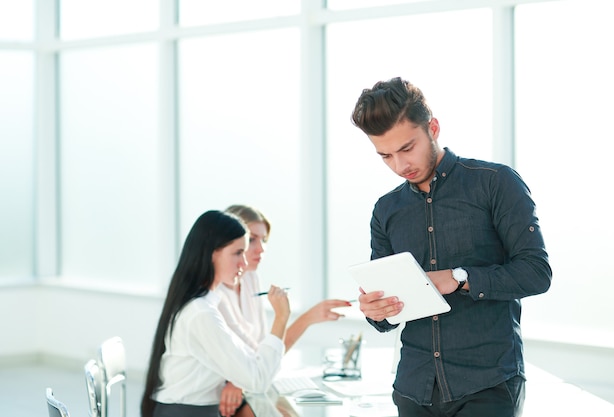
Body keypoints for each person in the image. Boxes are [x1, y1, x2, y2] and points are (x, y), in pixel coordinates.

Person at [350, 77, 552, 417]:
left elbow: (536, 273)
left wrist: (458, 277)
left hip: (487, 386)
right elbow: (388, 317)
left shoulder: (494, 183)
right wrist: (377, 312)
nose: (400, 166)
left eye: (407, 148)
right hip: (414, 389)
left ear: (433, 128)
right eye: (385, 156)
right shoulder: (386, 210)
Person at [140, 210, 290, 417]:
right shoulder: (200, 313)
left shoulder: (203, 304)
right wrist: (281, 319)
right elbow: (256, 380)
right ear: (212, 253)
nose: (244, 263)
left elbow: (248, 361)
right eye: (238, 253)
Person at [216, 204, 352, 410]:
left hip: (247, 385)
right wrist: (293, 317)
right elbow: (257, 361)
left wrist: (309, 317)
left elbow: (266, 353)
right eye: (252, 239)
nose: (261, 249)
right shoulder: (214, 294)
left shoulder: (251, 279)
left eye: (264, 240)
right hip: (220, 396)